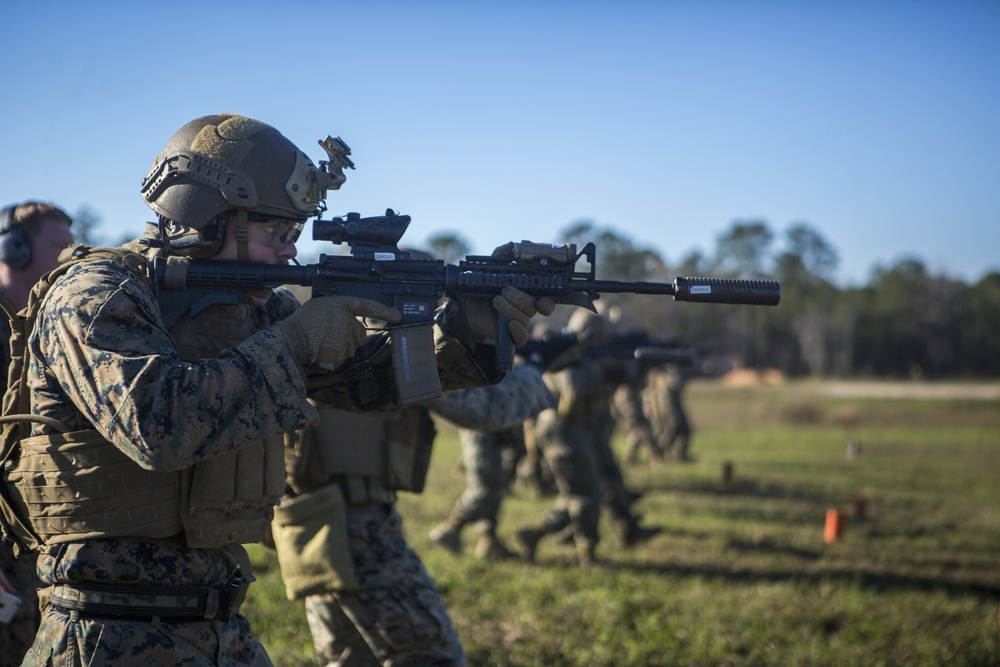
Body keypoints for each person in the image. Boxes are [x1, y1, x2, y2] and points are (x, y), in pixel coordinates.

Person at [0, 114, 552, 666]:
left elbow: (367, 383)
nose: (290, 252)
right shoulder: (96, 295)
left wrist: (465, 331)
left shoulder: (253, 306)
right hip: (103, 630)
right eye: (277, 233)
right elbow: (156, 425)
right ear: (212, 217)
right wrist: (293, 342)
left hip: (216, 622)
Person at [274, 364, 554, 667]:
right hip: (359, 527)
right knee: (434, 657)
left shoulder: (307, 324)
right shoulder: (387, 335)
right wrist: (532, 371)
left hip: (306, 518)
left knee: (351, 659)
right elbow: (483, 408)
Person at [515, 309, 659, 568]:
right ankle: (586, 554)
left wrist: (627, 371)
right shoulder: (567, 355)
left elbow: (618, 388)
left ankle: (533, 533)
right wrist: (603, 372)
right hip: (561, 430)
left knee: (585, 491)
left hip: (580, 428)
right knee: (587, 494)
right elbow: (576, 395)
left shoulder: (593, 358)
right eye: (602, 336)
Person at [0, 202, 74, 667]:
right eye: (59, 248)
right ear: (15, 249)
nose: (71, 260)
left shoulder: (49, 324)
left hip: (37, 538)